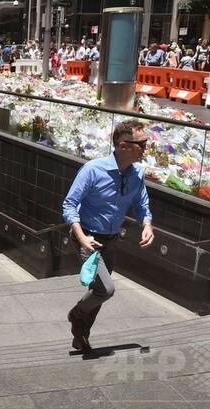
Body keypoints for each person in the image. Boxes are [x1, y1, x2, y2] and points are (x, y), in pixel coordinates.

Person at [62, 119, 154, 353]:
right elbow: (69, 205)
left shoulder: (138, 173)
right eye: (141, 144)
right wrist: (82, 238)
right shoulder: (93, 170)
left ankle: (81, 336)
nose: (145, 148)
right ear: (123, 145)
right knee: (106, 289)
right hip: (89, 237)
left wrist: (147, 224)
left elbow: (141, 203)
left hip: (112, 239)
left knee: (99, 291)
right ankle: (77, 314)